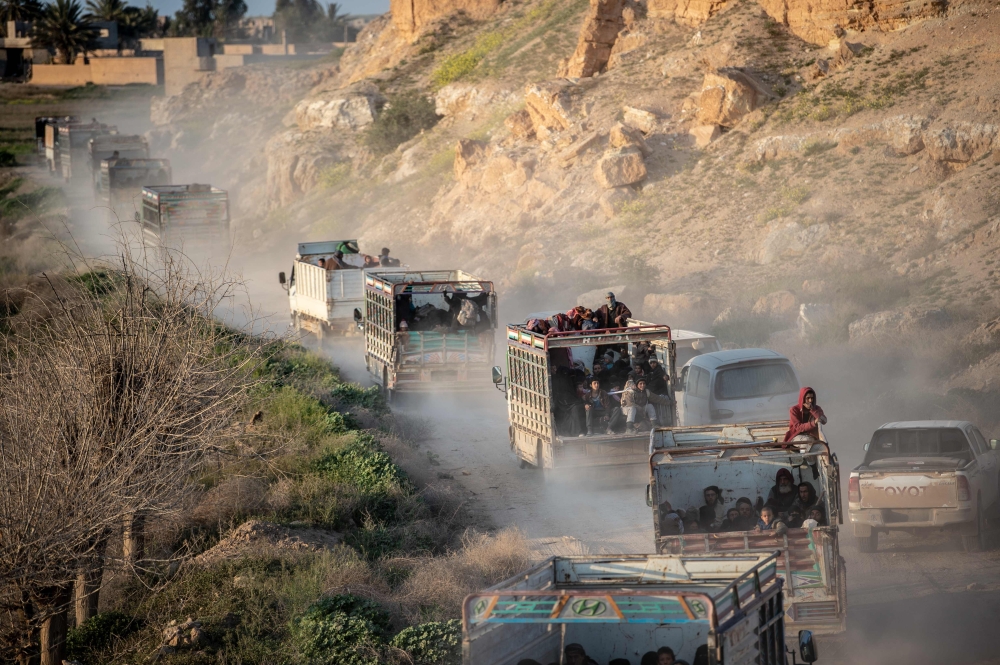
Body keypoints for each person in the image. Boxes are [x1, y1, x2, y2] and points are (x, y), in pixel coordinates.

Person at [552, 365, 586, 437]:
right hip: (560, 402)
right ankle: (562, 432)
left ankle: (579, 432)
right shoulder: (555, 380)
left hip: (571, 402)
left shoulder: (570, 380)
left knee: (577, 408)